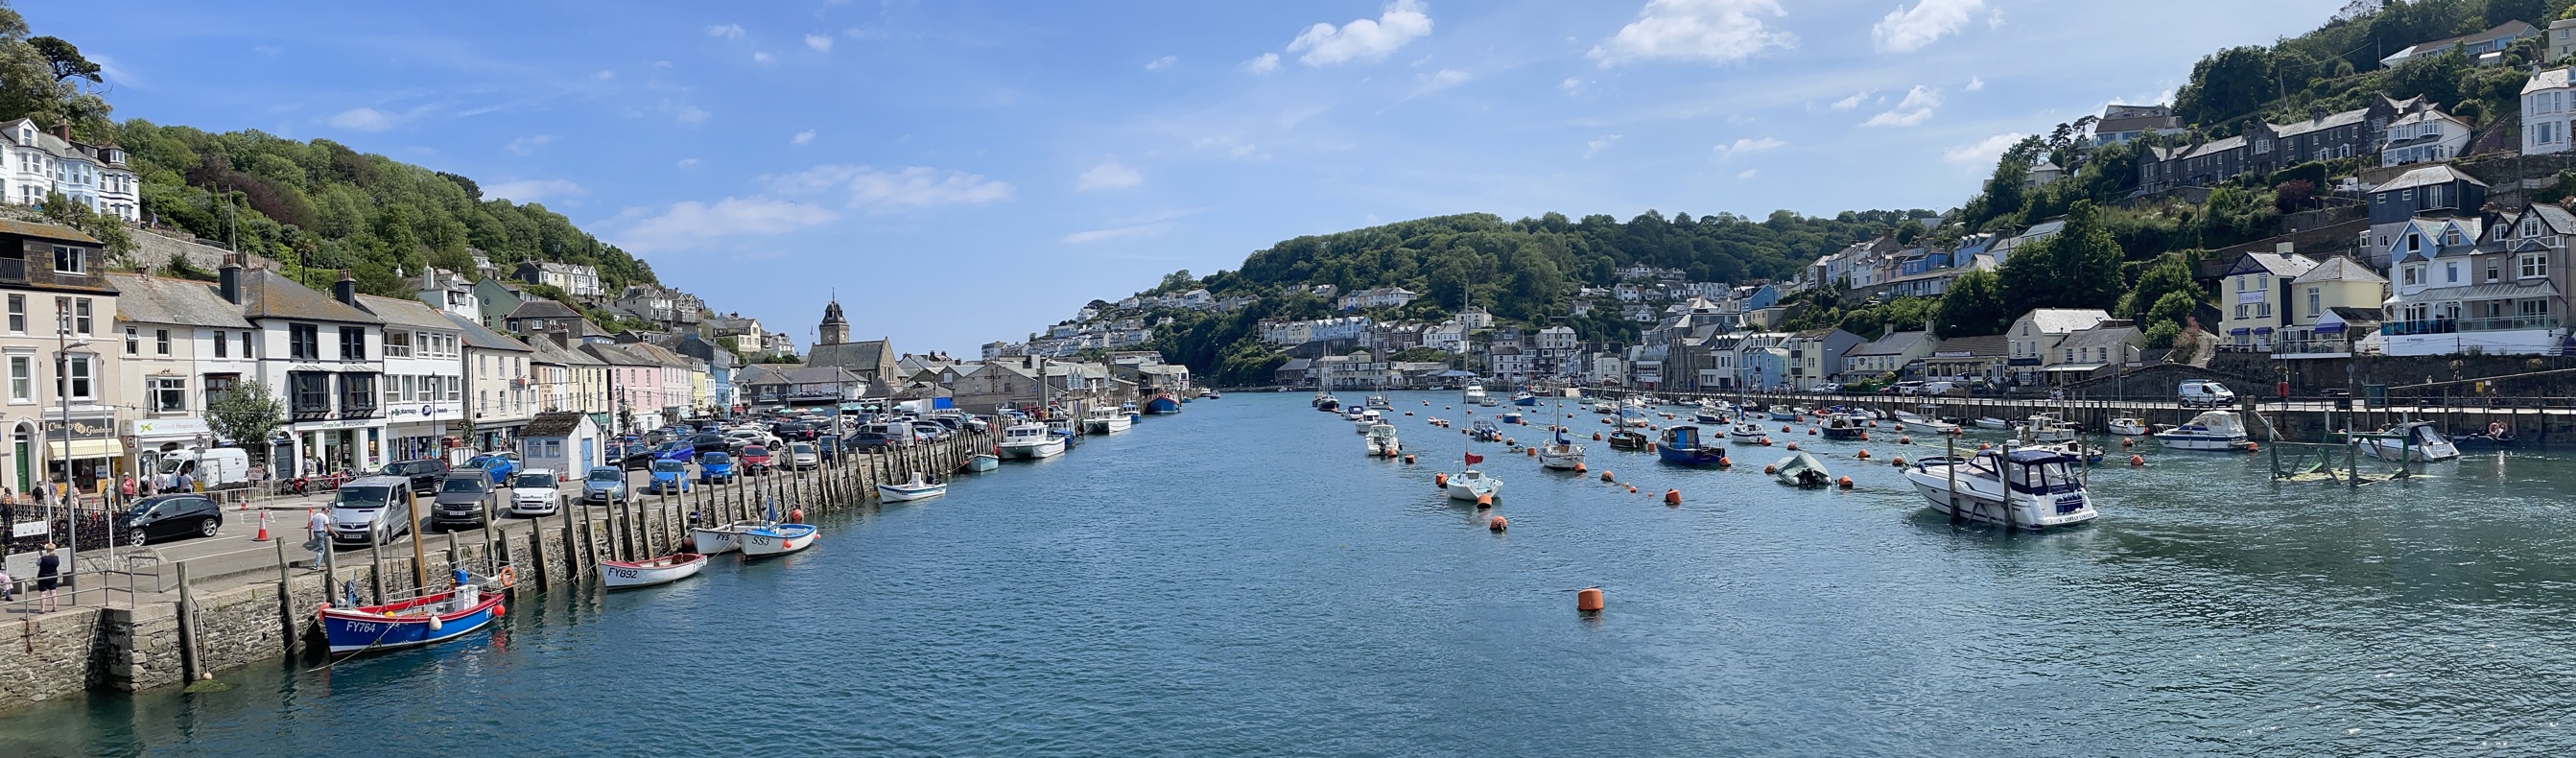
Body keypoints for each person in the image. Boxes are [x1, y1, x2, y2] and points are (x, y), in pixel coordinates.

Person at [35, 543, 60, 612]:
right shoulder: (56, 558)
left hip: (43, 576)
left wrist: (38, 558)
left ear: (47, 550)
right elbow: (57, 565)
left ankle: (42, 609)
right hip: (53, 575)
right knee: (53, 591)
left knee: (43, 593)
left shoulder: (42, 558)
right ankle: (55, 607)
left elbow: (37, 564)